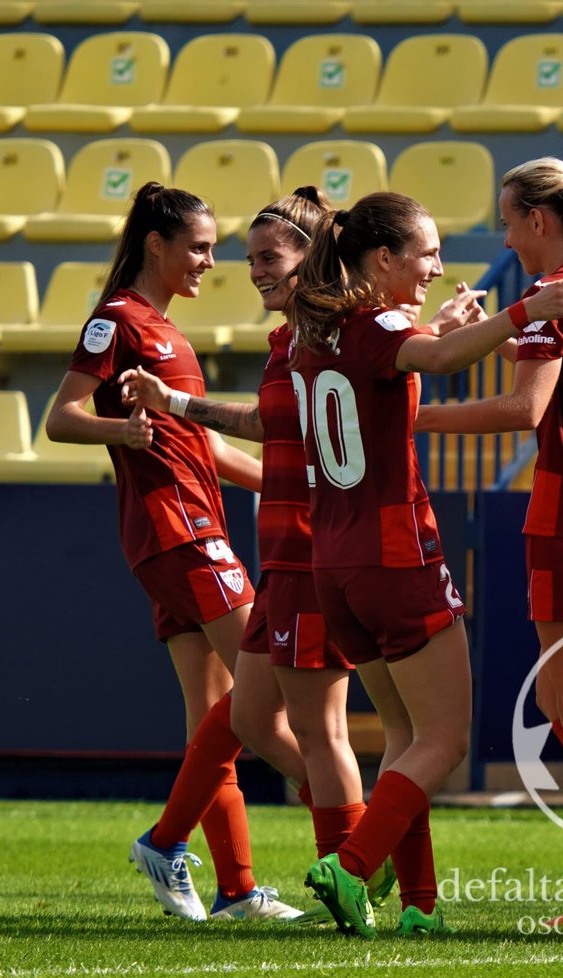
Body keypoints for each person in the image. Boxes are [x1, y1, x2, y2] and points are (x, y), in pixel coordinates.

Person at [120, 187, 453, 926]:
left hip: (319, 550)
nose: (254, 271)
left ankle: (354, 865)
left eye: (269, 257)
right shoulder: (294, 343)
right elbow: (271, 427)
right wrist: (176, 408)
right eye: (251, 259)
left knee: (321, 725)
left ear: (315, 258)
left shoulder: (337, 336)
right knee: (257, 712)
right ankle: (347, 862)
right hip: (297, 552)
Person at [289, 192, 563, 938]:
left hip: (334, 560)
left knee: (403, 736)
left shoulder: (314, 332)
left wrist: (445, 329)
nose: (437, 265)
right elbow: (426, 353)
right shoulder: (379, 325)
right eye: (426, 253)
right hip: (396, 555)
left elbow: (406, 354)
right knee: (446, 740)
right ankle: (352, 862)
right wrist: (530, 310)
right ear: (383, 259)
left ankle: (420, 904)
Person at [45, 182, 300, 921]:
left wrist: (296, 480)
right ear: (156, 244)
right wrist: (119, 432)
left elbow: (207, 446)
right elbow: (60, 418)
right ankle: (350, 825)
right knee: (268, 692)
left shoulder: (167, 330)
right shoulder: (118, 321)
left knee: (215, 711)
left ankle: (236, 887)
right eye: (198, 246)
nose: (211, 262)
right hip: (177, 531)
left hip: (187, 527)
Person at [413, 158, 563, 930]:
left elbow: (527, 407)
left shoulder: (558, 296)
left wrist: (415, 419)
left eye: (511, 219)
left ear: (540, 221)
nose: (507, 234)